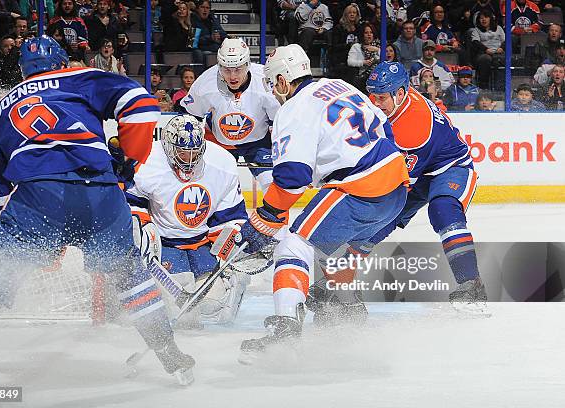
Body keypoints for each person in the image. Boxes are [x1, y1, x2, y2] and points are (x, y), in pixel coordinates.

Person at [0, 35, 195, 384]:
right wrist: (129, 160)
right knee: (128, 274)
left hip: (39, 198)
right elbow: (141, 105)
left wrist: (15, 211)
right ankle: (169, 351)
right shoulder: (80, 77)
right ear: (61, 61)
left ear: (22, 70)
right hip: (101, 193)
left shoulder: (3, 104)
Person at [236, 45, 409, 359]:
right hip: (396, 187)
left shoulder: (292, 109)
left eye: (275, 82)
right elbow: (385, 127)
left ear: (284, 81)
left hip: (360, 188)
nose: (274, 90)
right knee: (330, 250)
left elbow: (292, 177)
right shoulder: (338, 85)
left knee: (294, 244)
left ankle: (284, 329)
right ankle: (347, 312)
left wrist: (267, 216)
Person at [362, 61, 487, 312]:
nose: (374, 102)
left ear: (400, 93)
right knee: (376, 221)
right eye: (371, 94)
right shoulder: (393, 99)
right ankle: (338, 281)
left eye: (381, 97)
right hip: (420, 166)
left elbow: (396, 183)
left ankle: (471, 283)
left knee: (443, 211)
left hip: (451, 167)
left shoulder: (413, 130)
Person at [126, 114, 250, 327]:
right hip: (166, 244)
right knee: (186, 319)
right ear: (168, 146)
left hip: (202, 243)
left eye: (194, 151)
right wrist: (143, 229)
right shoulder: (147, 162)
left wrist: (227, 246)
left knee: (213, 304)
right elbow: (131, 203)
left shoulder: (222, 163)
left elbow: (231, 215)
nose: (189, 158)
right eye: (183, 152)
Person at [179, 38, 281, 193]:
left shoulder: (265, 81)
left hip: (259, 142)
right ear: (219, 66)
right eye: (226, 69)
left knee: (272, 184)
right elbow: (189, 116)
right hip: (221, 143)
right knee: (218, 188)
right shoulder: (205, 82)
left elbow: (280, 121)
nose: (233, 76)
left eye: (238, 69)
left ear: (248, 64)